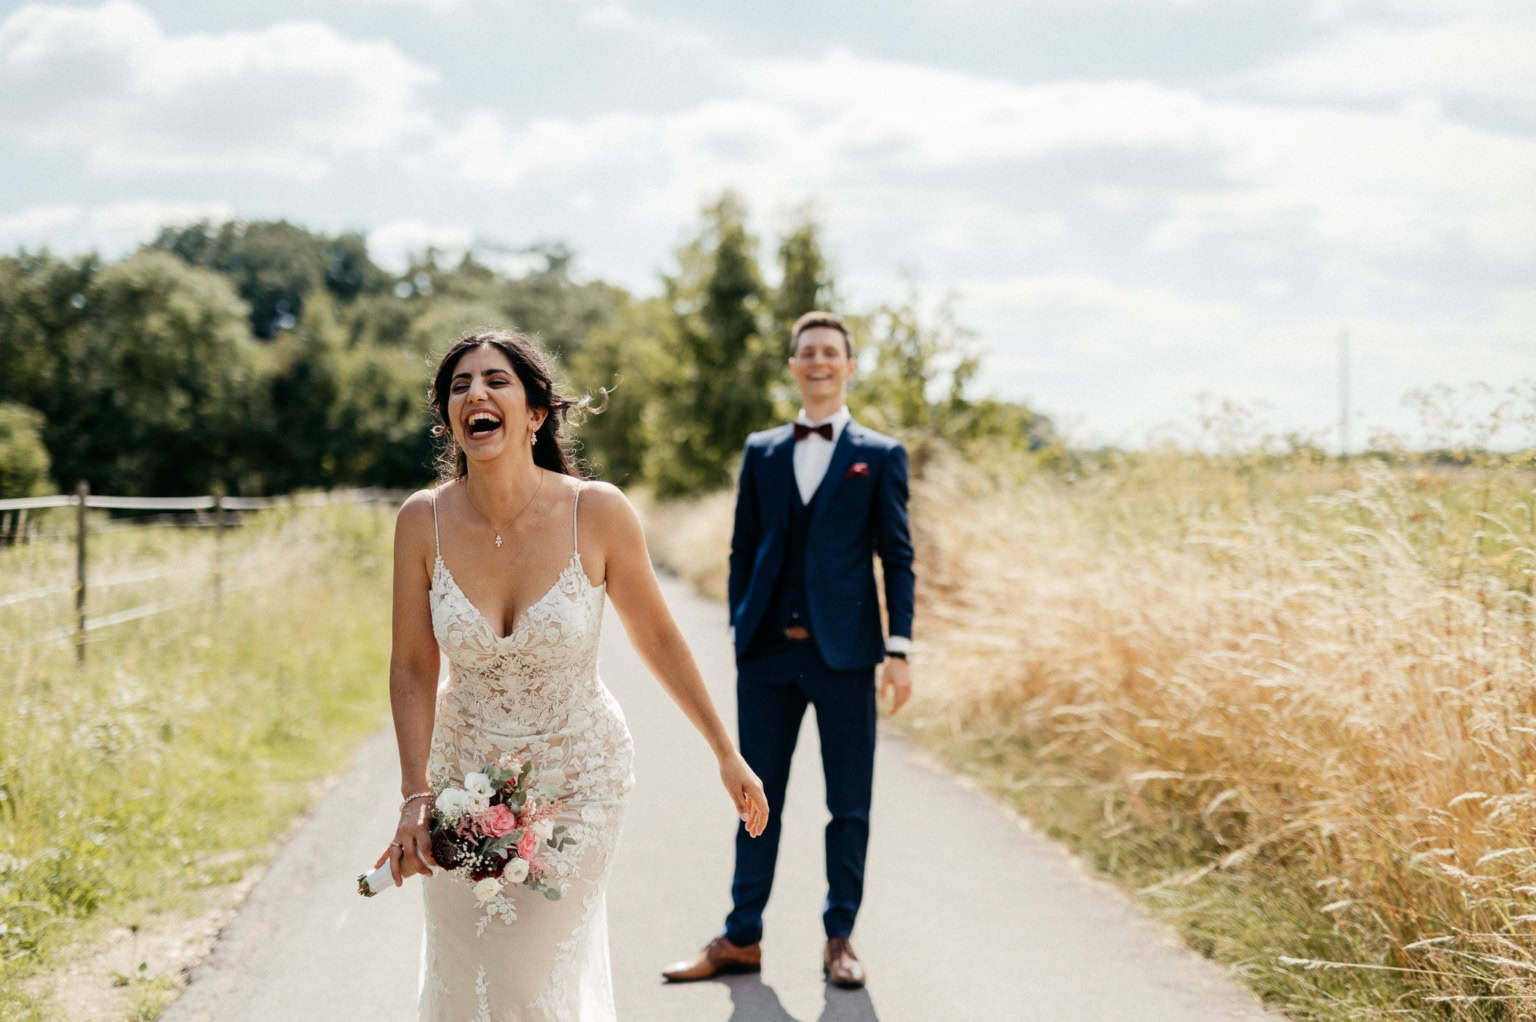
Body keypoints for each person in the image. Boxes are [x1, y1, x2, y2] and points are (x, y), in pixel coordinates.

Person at [374, 329, 769, 1020]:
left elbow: (659, 635)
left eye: (495, 380)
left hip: (578, 780)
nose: (476, 394)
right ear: (450, 420)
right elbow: (411, 666)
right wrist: (416, 796)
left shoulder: (598, 511)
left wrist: (724, 750)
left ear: (534, 413)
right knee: (462, 979)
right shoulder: (422, 521)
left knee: (529, 981)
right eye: (459, 386)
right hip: (462, 779)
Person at [661, 311, 915, 990]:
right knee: (753, 796)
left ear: (850, 365)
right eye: (807, 353)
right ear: (794, 364)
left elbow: (897, 557)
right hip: (768, 656)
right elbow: (743, 547)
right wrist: (743, 628)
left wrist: (899, 648)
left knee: (848, 804)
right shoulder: (762, 451)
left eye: (831, 352)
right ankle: (742, 935)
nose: (819, 362)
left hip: (847, 658)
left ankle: (840, 938)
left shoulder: (881, 455)